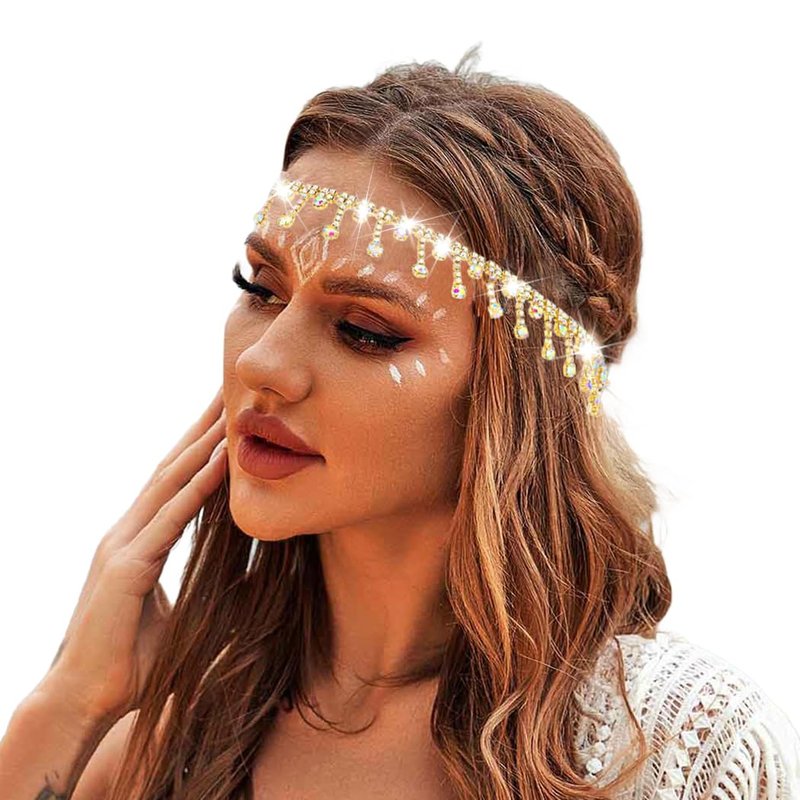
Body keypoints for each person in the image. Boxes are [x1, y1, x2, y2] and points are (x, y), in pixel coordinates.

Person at [1, 47, 798, 800]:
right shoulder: (156, 752)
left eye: (365, 331)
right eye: (261, 289)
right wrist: (69, 703)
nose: (265, 362)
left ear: (520, 392)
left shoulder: (676, 743)